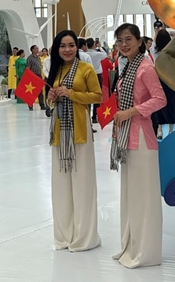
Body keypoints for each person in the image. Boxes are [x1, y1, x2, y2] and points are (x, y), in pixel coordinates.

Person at [110, 23, 166, 268]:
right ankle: (131, 245)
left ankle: (145, 251)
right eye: (119, 40)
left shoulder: (145, 68)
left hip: (142, 138)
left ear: (140, 42)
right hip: (127, 136)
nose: (124, 44)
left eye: (128, 39)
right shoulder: (128, 66)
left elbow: (160, 99)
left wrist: (131, 111)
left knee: (143, 195)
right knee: (131, 194)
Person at [47, 30, 102, 252]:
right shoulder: (56, 70)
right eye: (63, 46)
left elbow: (97, 96)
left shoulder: (85, 69)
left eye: (71, 45)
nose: (67, 49)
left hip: (80, 132)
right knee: (61, 185)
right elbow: (50, 102)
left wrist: (72, 94)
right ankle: (64, 235)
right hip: (59, 134)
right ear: (57, 49)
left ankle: (84, 236)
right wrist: (51, 98)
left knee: (82, 182)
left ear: (77, 48)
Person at [151, 29, 175, 139]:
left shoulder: (153, 50)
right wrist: (173, 33)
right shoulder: (172, 51)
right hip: (170, 79)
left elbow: (154, 41)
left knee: (159, 103)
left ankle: (159, 130)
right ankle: (170, 130)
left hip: (158, 79)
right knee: (171, 103)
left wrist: (157, 32)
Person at [27, 45, 46, 111]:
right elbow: (28, 68)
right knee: (32, 91)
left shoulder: (38, 57)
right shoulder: (30, 58)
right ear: (32, 50)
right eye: (36, 48)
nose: (38, 49)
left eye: (38, 48)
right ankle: (30, 105)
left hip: (39, 75)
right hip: (32, 76)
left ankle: (42, 105)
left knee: (40, 91)